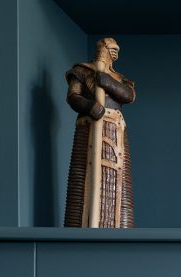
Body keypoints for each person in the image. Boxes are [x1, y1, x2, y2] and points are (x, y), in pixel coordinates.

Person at [64, 37, 136, 228]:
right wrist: (89, 106)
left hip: (114, 129)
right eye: (111, 48)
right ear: (102, 48)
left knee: (118, 184)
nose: (115, 52)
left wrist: (106, 81)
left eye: (117, 49)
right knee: (83, 179)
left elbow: (128, 96)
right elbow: (73, 96)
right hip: (89, 127)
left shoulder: (119, 78)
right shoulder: (81, 71)